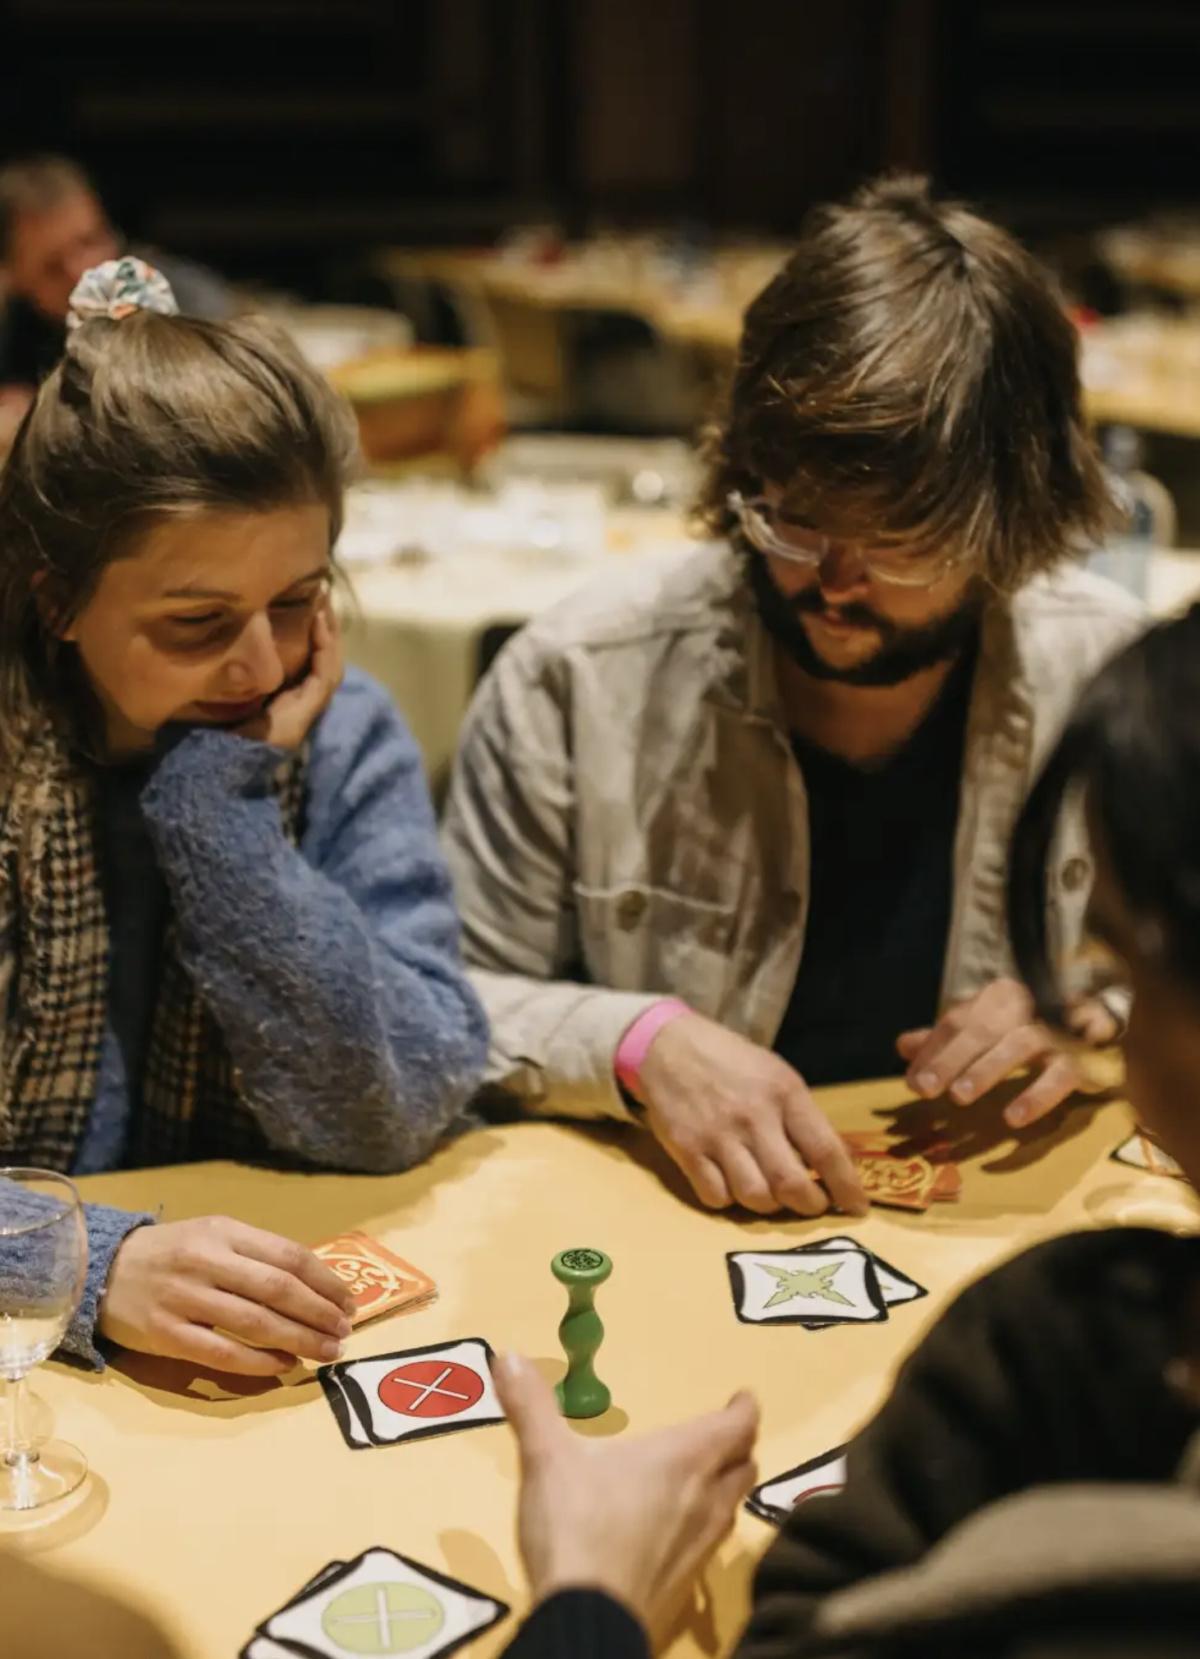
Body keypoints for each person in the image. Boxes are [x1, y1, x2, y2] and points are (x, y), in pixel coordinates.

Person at [490, 601, 1200, 1659]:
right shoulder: (1066, 1345)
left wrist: (591, 1600)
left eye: (1120, 970)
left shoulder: (1068, 1347)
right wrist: (630, 1043)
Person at [442, 174, 1145, 1220]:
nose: (834, 584)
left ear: (1014, 520)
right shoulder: (579, 675)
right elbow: (440, 1007)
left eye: (899, 543)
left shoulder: (1112, 677)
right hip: (660, 1227)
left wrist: (1096, 1010)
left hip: (998, 1221)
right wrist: (637, 1043)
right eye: (796, 523)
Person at [0, 258, 488, 1376]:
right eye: (197, 622)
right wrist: (91, 1264)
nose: (263, 667)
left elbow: (395, 1107)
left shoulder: (340, 734)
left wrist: (221, 806)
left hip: (254, 1359)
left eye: (298, 601)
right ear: (56, 597)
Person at [0, 154, 232, 442]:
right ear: (15, 276)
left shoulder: (185, 300)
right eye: (53, 267)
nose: (82, 272)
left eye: (89, 242)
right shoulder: (13, 322)